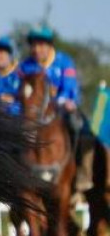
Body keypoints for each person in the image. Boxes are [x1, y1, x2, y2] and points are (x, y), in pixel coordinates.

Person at [19, 25, 93, 191]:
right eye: (34, 45)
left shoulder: (64, 61)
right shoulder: (25, 67)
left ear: (50, 45)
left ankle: (83, 172)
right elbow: (21, 92)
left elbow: (70, 88)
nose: (37, 49)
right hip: (33, 114)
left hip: (61, 110)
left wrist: (61, 101)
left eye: (41, 44)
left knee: (81, 128)